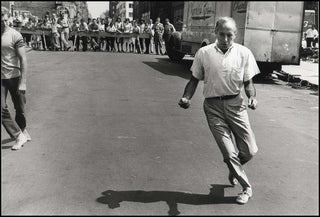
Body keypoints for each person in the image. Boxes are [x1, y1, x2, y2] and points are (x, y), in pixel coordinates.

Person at [178, 17, 260, 205]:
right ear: (215, 32)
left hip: (236, 106)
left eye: (229, 35)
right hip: (213, 108)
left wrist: (252, 97)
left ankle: (233, 169)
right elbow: (194, 79)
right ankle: (246, 188)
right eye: (221, 34)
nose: (225, 39)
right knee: (229, 152)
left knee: (249, 150)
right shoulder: (204, 53)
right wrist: (186, 97)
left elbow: (248, 83)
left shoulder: (244, 53)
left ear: (235, 35)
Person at [1, 7, 31, 150]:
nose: (3, 22)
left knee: (20, 108)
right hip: (1, 79)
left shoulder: (15, 35)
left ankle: (23, 129)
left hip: (15, 76)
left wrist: (23, 82)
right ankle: (18, 135)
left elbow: (23, 59)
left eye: (5, 19)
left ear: (8, 18)